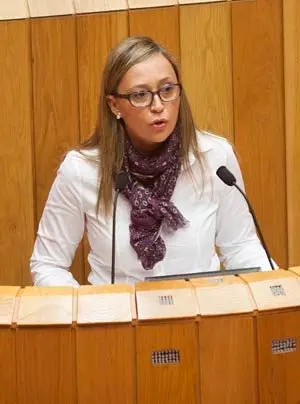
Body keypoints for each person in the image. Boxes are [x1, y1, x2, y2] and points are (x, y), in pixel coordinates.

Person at [30, 36, 274, 287]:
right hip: (119, 320)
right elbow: (48, 264)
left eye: (167, 90)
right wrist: (91, 313)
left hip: (201, 317)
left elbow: (240, 246)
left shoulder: (214, 157)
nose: (158, 105)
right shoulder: (82, 169)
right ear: (114, 105)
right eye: (140, 95)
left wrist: (277, 287)